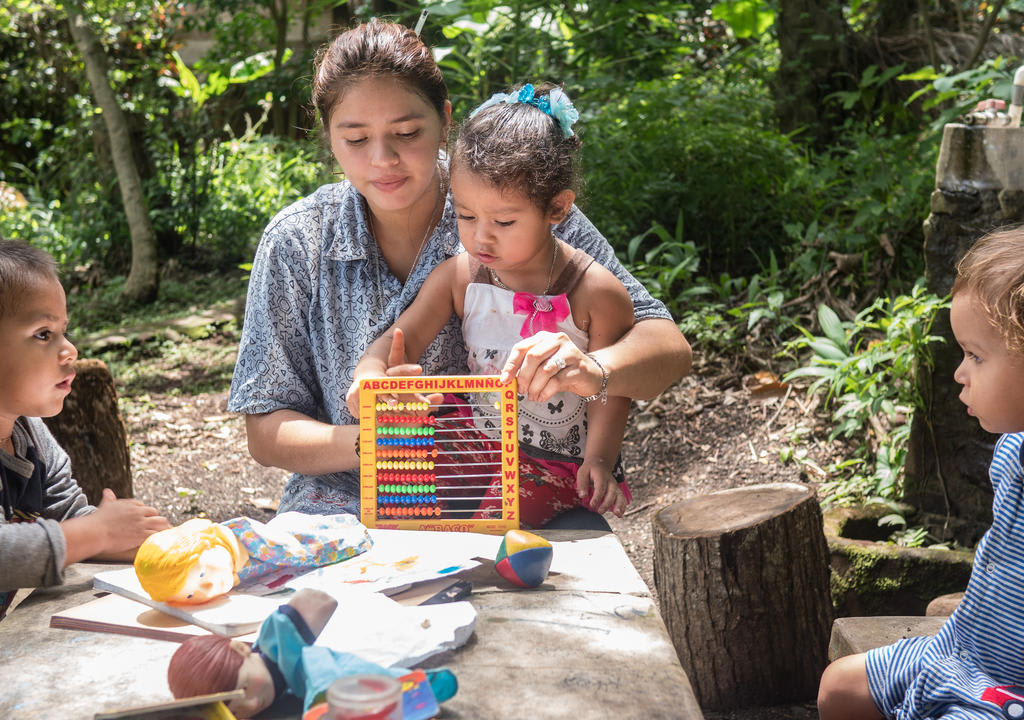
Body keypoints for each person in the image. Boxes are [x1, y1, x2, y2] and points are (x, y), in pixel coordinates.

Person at [228, 19, 692, 527]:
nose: (384, 159)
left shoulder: (511, 195)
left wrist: (595, 369)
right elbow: (266, 430)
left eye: (407, 133)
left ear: (445, 120)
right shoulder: (299, 241)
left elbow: (665, 347)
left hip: (518, 501)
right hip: (342, 507)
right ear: (329, 138)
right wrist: (380, 438)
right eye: (356, 138)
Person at [347, 83, 634, 527]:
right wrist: (370, 377)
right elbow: (399, 337)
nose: (481, 236)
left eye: (504, 221)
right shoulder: (460, 277)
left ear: (557, 208)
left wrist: (598, 458)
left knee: (488, 522)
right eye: (465, 216)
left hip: (553, 462)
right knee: (402, 497)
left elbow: (609, 391)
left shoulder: (595, 292)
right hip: (478, 440)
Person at [817, 227, 1024, 720]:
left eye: (975, 355)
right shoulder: (1012, 448)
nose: (959, 372)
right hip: (962, 650)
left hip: (1006, 690)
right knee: (837, 687)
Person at [0, 238, 169, 619]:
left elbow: (70, 519)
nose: (70, 349)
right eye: (44, 334)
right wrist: (99, 532)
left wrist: (155, 540)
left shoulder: (31, 436)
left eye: (64, 332)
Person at [167, 587, 456, 717]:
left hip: (319, 672)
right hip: (309, 689)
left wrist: (294, 614)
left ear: (241, 649)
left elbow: (320, 600)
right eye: (236, 712)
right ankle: (414, 688)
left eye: (244, 688)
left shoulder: (276, 640)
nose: (252, 705)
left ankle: (414, 687)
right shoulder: (264, 692)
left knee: (343, 680)